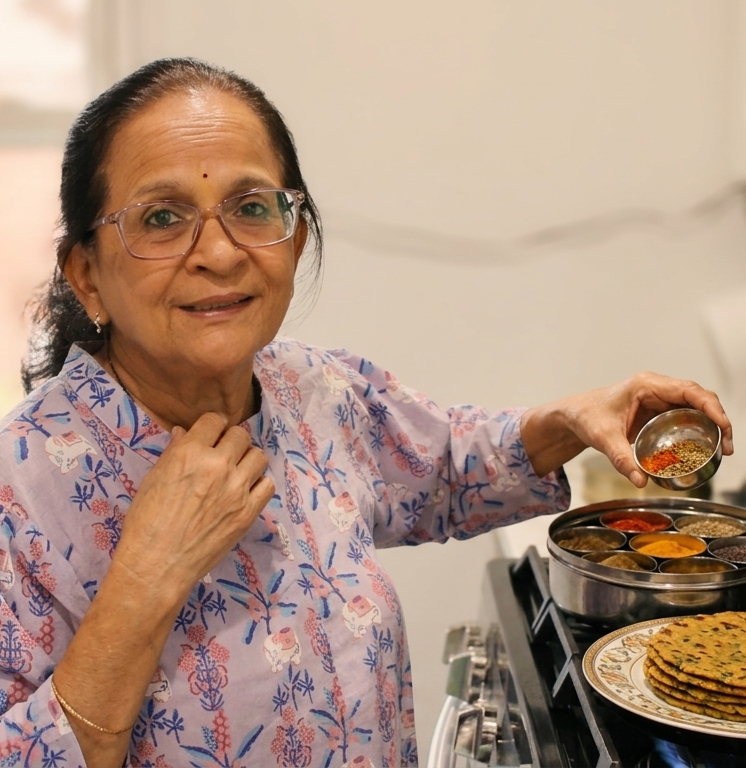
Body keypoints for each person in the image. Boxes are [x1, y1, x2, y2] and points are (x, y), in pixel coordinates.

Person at [0, 58, 732, 768]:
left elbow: (446, 466)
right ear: (87, 275)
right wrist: (143, 581)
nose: (219, 253)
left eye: (253, 208)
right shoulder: (21, 490)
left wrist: (571, 418)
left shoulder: (316, 392)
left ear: (299, 236)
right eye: (163, 218)